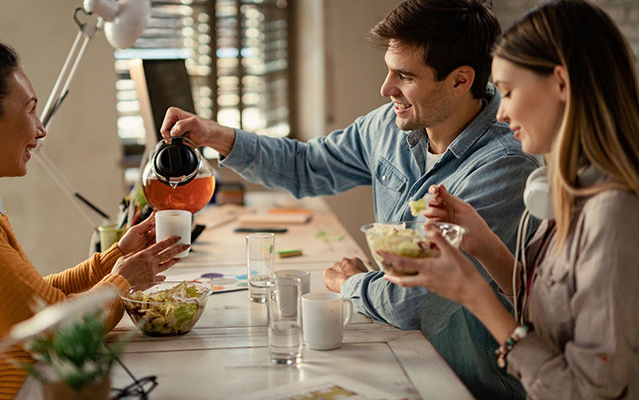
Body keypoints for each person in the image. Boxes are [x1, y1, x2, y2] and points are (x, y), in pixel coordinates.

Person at [159, 0, 539, 397]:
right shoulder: (390, 125)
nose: (386, 88)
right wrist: (215, 135)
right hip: (401, 355)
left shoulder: (504, 168)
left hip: (464, 384)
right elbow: (307, 164)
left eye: (404, 76)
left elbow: (410, 302)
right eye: (388, 70)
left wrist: (352, 282)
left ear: (461, 81)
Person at [382, 0, 639, 398]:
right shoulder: (571, 190)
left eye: (509, 92)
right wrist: (482, 245)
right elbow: (559, 313)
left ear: (562, 85)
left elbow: (584, 392)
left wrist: (475, 296)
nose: (500, 113)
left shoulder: (615, 215)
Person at [0, 33, 189, 399]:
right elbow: (57, 331)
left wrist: (113, 261)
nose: (40, 129)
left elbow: (33, 300)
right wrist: (122, 283)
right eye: (31, 109)